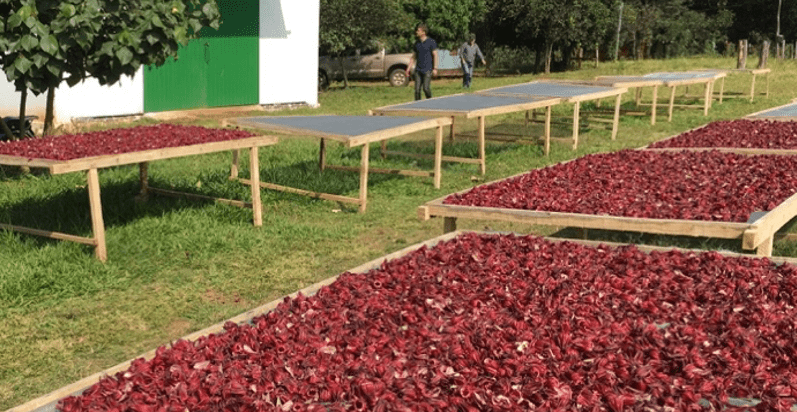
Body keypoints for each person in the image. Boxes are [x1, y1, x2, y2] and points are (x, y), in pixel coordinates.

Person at [406, 23, 438, 100]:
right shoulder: (416, 43)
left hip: (427, 69)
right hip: (418, 70)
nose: (416, 32)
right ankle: (418, 104)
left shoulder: (431, 42)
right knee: (417, 90)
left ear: (423, 32)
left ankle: (430, 101)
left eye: (418, 30)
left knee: (426, 88)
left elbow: (435, 55)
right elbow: (413, 57)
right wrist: (408, 69)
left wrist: (435, 68)